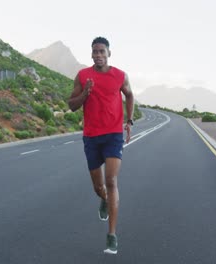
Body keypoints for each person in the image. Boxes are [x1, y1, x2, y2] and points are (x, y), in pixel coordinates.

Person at [68, 37, 134, 254]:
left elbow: (130, 95)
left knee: (111, 180)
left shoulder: (120, 75)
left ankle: (112, 235)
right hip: (92, 137)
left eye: (101, 51)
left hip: (113, 135)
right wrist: (85, 94)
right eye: (95, 51)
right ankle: (103, 199)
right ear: (91, 54)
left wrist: (129, 121)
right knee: (99, 187)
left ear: (109, 53)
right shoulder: (82, 76)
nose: (98, 55)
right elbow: (71, 106)